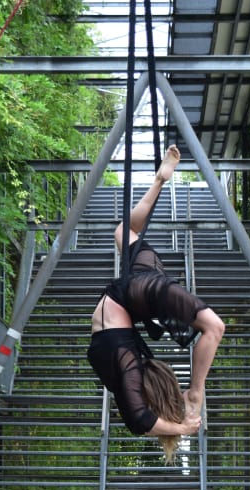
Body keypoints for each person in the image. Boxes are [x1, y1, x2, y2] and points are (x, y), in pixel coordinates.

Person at [87, 145, 225, 463]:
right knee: (125, 232)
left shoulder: (128, 369)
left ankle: (196, 390)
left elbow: (140, 420)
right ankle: (160, 179)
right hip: (132, 300)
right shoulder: (126, 370)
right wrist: (178, 422)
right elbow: (139, 419)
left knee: (214, 328)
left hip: (135, 296)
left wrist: (182, 428)